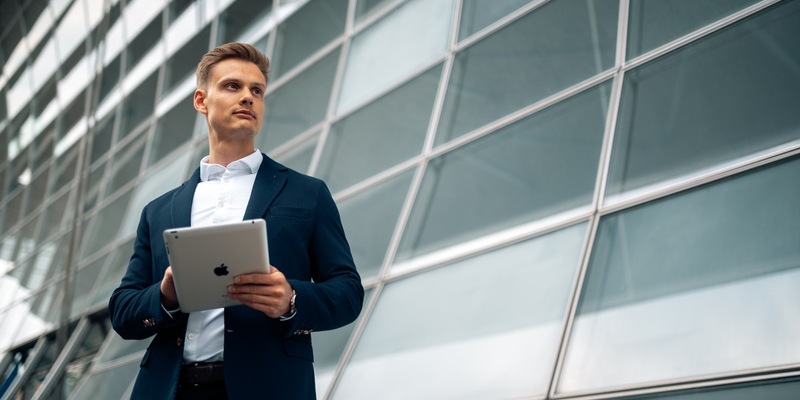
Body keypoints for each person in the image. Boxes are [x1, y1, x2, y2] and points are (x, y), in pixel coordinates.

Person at [109, 42, 363, 400]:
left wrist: (291, 298)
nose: (248, 97)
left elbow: (348, 293)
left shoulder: (308, 193)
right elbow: (123, 311)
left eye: (256, 91)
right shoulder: (158, 210)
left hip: (270, 386)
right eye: (232, 86)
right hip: (168, 389)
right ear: (202, 101)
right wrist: (165, 294)